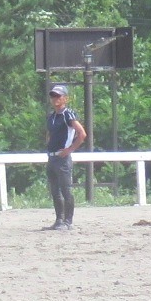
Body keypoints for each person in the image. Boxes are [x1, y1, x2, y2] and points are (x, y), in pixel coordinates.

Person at [44, 83, 87, 231]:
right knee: (55, 191)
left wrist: (69, 149)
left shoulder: (68, 114)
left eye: (58, 96)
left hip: (62, 159)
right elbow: (50, 134)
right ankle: (58, 220)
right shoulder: (51, 116)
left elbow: (82, 134)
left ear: (65, 98)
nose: (55, 98)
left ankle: (68, 221)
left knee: (66, 190)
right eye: (53, 96)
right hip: (52, 157)